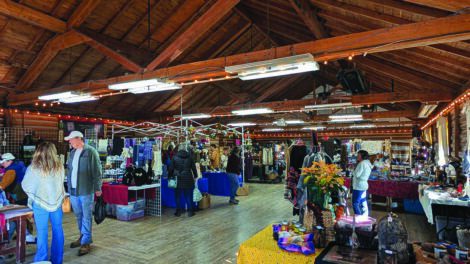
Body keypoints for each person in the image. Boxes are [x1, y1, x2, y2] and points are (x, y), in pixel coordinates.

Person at [22, 142, 65, 264]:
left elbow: (26, 185)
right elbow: (60, 183)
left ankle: (42, 259)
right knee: (58, 230)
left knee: (42, 232)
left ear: (38, 151)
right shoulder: (59, 166)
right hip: (56, 203)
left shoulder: (33, 168)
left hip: (40, 203)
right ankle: (57, 260)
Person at [65, 131, 102, 256]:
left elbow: (97, 171)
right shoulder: (72, 152)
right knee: (79, 216)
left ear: (78, 139)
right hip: (73, 191)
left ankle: (86, 241)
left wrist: (98, 188)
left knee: (86, 216)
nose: (69, 142)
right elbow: (70, 171)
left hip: (86, 190)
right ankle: (82, 236)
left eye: (71, 139)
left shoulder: (90, 151)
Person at [0, 153, 35, 243]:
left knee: (18, 217)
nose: (2, 164)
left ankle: (25, 236)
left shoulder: (11, 171)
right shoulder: (19, 164)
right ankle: (26, 235)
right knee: (24, 216)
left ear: (10, 161)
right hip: (27, 193)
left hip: (20, 195)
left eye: (3, 162)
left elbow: (2, 186)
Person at [169, 143, 198, 217]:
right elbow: (194, 168)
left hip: (178, 179)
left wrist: (170, 177)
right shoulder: (190, 157)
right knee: (188, 196)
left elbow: (171, 169)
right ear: (185, 149)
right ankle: (190, 212)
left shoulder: (174, 157)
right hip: (188, 178)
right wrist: (195, 176)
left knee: (178, 196)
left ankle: (178, 212)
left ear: (178, 149)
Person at [352, 150, 372, 216]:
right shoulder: (367, 163)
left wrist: (353, 170)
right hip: (363, 185)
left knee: (355, 203)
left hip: (359, 186)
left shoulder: (362, 163)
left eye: (358, 155)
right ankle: (362, 216)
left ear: (362, 156)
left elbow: (357, 174)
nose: (357, 156)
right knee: (361, 202)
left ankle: (358, 218)